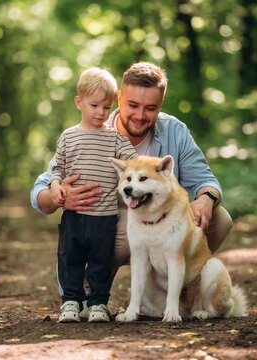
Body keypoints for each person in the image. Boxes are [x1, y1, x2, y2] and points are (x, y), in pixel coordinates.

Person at [30, 61, 233, 313]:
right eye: (133, 105)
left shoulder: (175, 131)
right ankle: (87, 289)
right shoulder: (87, 133)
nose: (140, 115)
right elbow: (40, 190)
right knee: (131, 225)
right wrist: (58, 197)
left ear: (160, 105)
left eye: (150, 108)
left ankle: (172, 286)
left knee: (220, 218)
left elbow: (206, 180)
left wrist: (206, 198)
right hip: (104, 222)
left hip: (159, 222)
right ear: (119, 98)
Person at [48, 67, 137, 323]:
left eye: (106, 107)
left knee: (100, 262)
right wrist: (56, 185)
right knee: (70, 260)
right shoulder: (68, 137)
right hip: (74, 216)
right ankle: (70, 303)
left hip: (105, 216)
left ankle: (98, 303)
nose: (101, 112)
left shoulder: (116, 140)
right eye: (94, 105)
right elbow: (58, 168)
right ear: (79, 102)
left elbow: (135, 162)